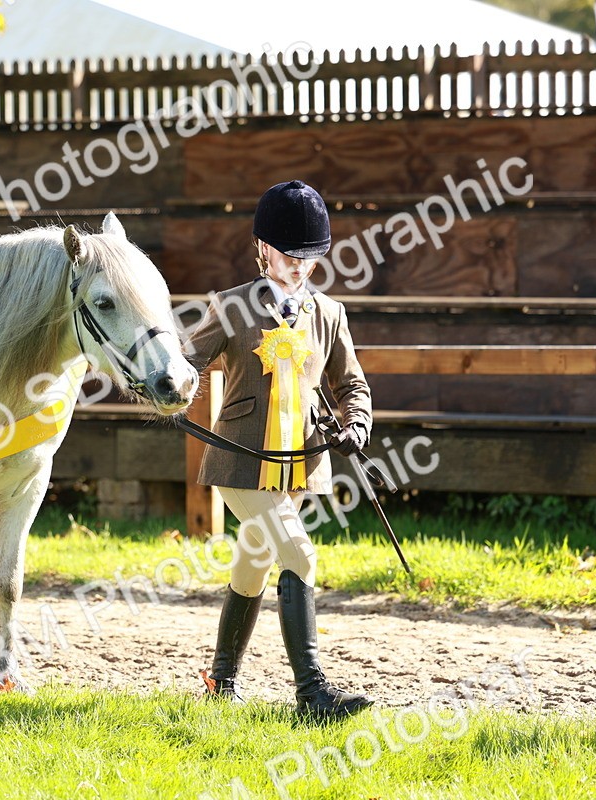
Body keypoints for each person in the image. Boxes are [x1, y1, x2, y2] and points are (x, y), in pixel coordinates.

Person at [184, 179, 375, 721]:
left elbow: (352, 385)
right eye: (289, 256)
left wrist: (356, 425)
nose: (299, 267)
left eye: (309, 258)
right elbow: (186, 363)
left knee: (253, 564)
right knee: (300, 555)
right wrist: (164, 386)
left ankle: (221, 682)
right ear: (263, 248)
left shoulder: (329, 314)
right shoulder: (230, 306)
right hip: (239, 461)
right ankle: (312, 695)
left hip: (299, 464)